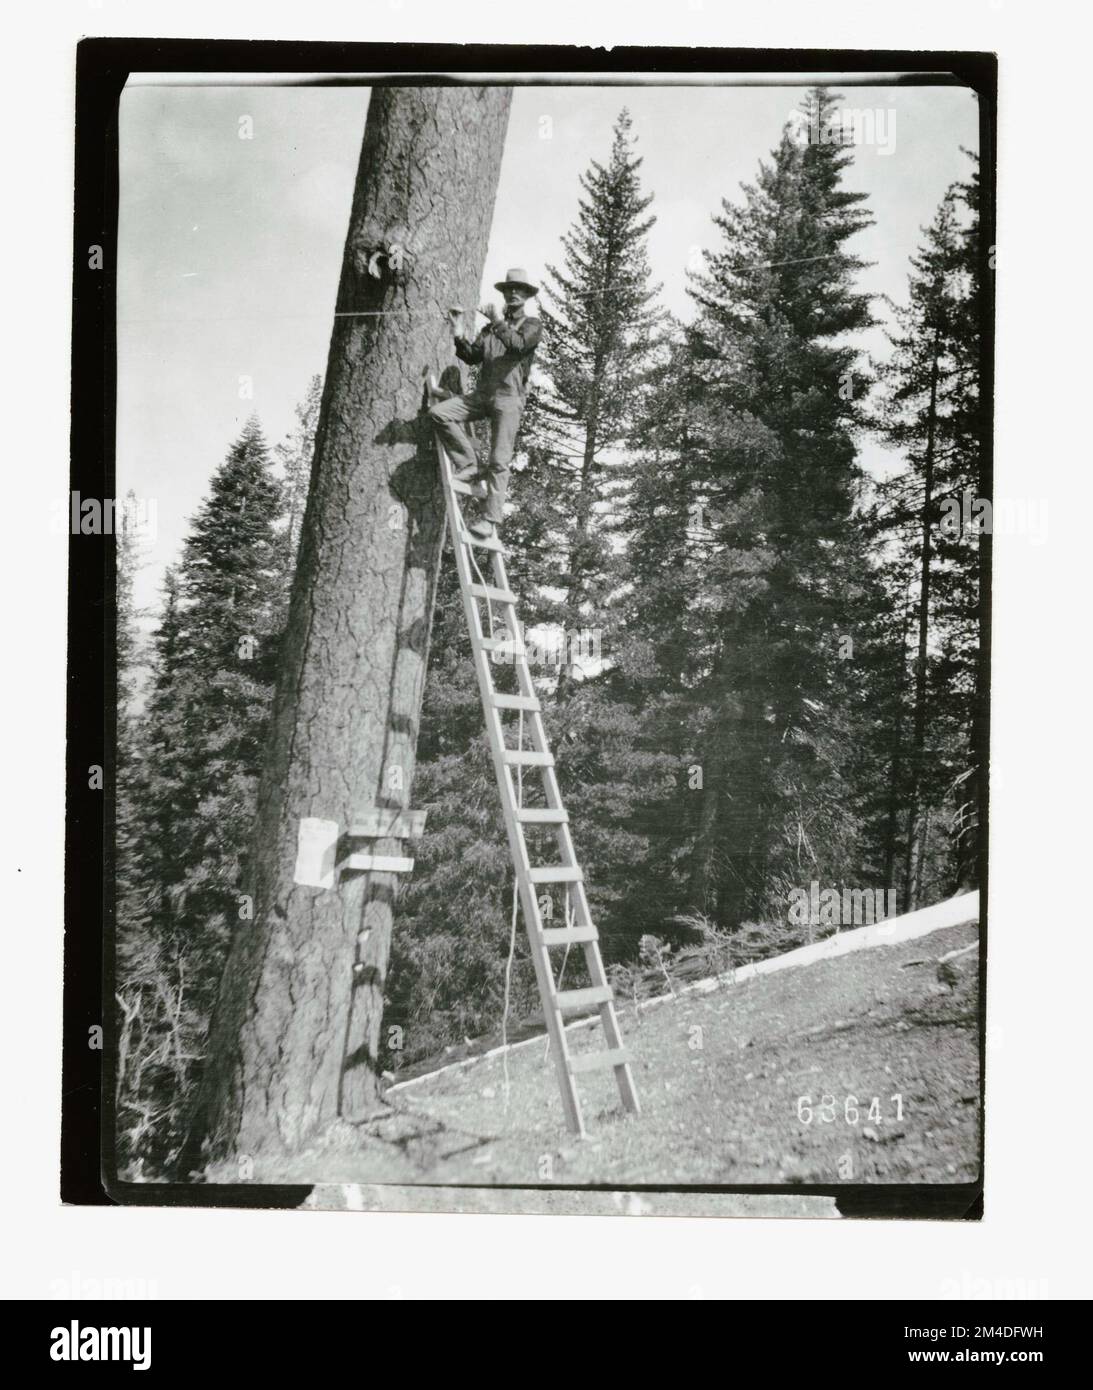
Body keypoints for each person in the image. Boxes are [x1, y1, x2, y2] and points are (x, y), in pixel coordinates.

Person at [427, 267, 542, 540]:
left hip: (509, 399)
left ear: (525, 296)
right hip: (483, 395)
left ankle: (490, 521)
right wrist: (458, 331)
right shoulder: (491, 329)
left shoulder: (532, 325)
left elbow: (518, 346)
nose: (513, 293)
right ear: (504, 294)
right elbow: (472, 357)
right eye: (509, 289)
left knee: (500, 460)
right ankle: (469, 464)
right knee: (438, 413)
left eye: (519, 290)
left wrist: (495, 321)